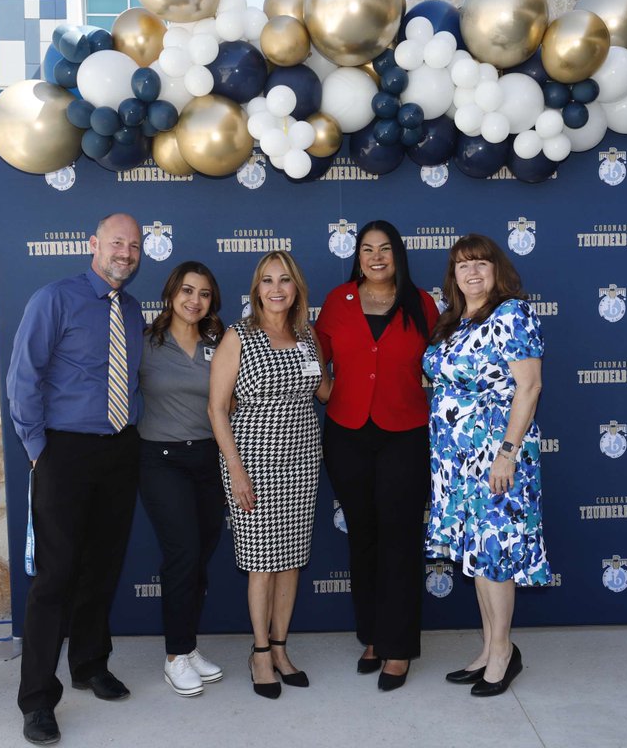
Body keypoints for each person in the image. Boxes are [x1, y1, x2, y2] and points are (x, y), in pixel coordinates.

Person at [7, 213, 144, 744]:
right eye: (117, 242)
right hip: (63, 451)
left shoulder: (131, 309)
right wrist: (40, 450)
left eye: (134, 246)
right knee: (56, 577)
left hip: (119, 451)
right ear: (94, 244)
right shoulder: (54, 298)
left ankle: (89, 665)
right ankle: (37, 698)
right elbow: (24, 377)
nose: (125, 252)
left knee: (102, 568)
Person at [314, 220, 439, 692]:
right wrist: (325, 390)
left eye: (385, 248)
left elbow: (442, 360)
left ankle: (399, 646)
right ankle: (371, 636)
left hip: (404, 433)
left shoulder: (422, 302)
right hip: (346, 434)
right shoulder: (338, 300)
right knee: (362, 537)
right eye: (367, 249)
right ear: (358, 256)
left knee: (400, 539)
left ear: (398, 254)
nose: (376, 257)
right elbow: (313, 352)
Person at [424, 233, 548, 698]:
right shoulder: (454, 320)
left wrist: (507, 452)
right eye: (462, 265)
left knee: (495, 555)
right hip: (457, 461)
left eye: (480, 263)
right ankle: (490, 647)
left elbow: (529, 387)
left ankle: (503, 653)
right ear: (453, 276)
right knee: (478, 556)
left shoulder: (512, 314)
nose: (472, 272)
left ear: (497, 270)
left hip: (498, 457)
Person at [208, 251, 331, 700]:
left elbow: (325, 390)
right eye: (267, 281)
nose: (276, 289)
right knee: (262, 565)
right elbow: (217, 409)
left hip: (301, 462)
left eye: (285, 280)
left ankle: (280, 648)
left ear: (296, 287)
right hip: (254, 465)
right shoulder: (239, 336)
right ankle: (260, 652)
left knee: (292, 561)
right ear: (256, 289)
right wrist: (236, 471)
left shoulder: (305, 335)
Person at [137, 262, 226, 697]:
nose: (195, 300)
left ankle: (188, 648)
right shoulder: (145, 343)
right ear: (172, 294)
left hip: (209, 460)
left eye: (204, 293)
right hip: (161, 460)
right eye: (187, 291)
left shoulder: (220, 342)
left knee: (200, 556)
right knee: (183, 554)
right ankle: (174, 657)